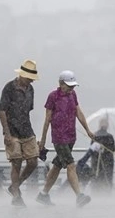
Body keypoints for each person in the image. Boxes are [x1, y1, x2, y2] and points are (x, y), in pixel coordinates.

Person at [36, 70, 95, 207]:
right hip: (59, 137)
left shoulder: (73, 94)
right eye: (69, 86)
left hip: (71, 136)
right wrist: (43, 141)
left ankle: (43, 194)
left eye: (73, 86)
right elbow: (47, 120)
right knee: (70, 164)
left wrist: (87, 130)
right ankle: (79, 196)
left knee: (57, 165)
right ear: (61, 83)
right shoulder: (53, 96)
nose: (71, 88)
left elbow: (78, 112)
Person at [0, 59, 40, 207]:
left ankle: (15, 186)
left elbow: (28, 111)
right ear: (22, 75)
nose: (31, 81)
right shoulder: (9, 88)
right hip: (12, 132)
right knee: (16, 162)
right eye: (30, 78)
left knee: (33, 161)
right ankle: (16, 195)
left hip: (27, 130)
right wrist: (7, 133)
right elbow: (2, 111)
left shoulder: (30, 90)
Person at [89, 117, 115, 195]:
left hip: (96, 162)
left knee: (96, 177)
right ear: (107, 126)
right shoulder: (109, 136)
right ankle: (107, 193)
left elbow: (92, 149)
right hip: (108, 162)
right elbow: (112, 149)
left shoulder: (95, 136)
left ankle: (96, 193)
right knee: (107, 178)